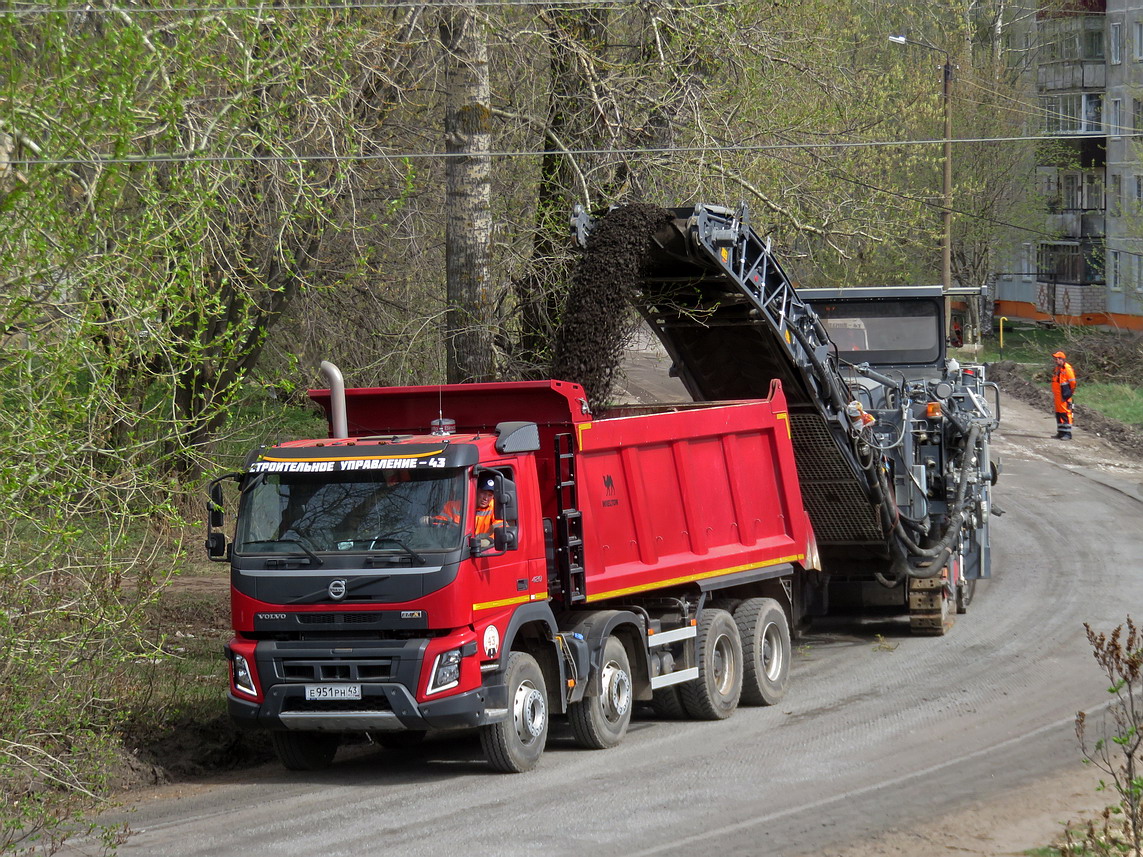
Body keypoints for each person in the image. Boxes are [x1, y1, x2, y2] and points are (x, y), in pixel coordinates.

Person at [1051, 350, 1077, 440]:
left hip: (1064, 395)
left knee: (1065, 413)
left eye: (1057, 358)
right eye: (1055, 358)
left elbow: (1073, 383)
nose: (1055, 360)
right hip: (1058, 396)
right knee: (1059, 413)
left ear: (1062, 359)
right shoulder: (1058, 369)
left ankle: (1067, 433)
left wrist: (1069, 393)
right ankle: (1061, 432)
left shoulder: (1067, 369)